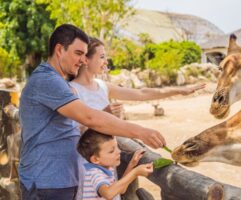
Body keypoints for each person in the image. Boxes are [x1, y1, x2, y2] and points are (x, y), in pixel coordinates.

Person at [19, 24, 166, 200]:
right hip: (47, 183)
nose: (83, 60)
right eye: (78, 53)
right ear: (59, 50)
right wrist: (140, 131)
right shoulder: (47, 81)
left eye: (84, 54)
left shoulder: (58, 81)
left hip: (58, 180)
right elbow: (89, 117)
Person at [69, 37, 206, 121]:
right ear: (86, 60)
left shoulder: (103, 86)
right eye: (102, 57)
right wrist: (104, 114)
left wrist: (179, 90)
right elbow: (74, 132)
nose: (106, 62)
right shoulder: (71, 90)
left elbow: (142, 94)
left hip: (108, 160)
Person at [77, 129, 152, 200]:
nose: (118, 151)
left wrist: (132, 165)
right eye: (111, 151)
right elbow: (108, 194)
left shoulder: (107, 169)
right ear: (96, 159)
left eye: (117, 147)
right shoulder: (94, 173)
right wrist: (135, 173)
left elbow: (121, 190)